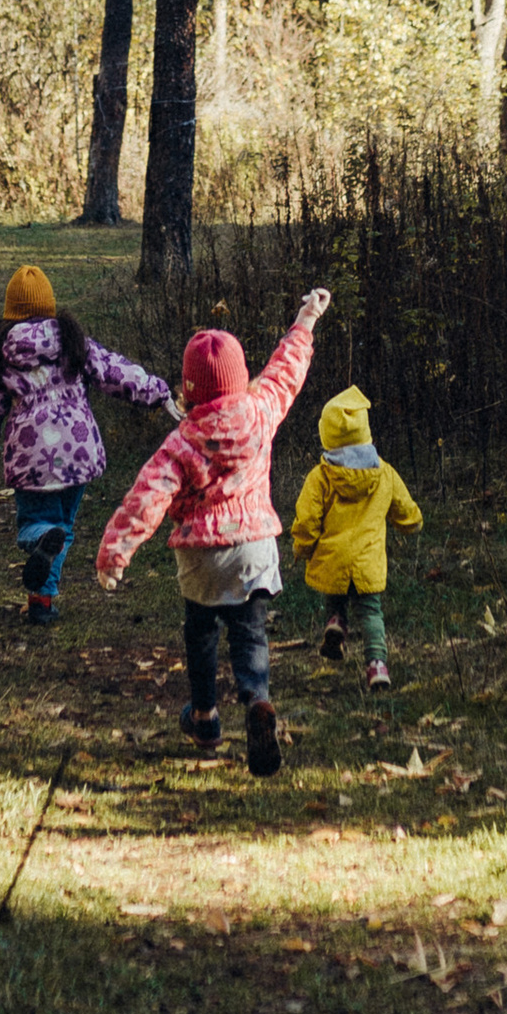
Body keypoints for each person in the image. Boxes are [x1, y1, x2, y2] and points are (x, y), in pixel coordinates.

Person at [94, 286, 332, 776]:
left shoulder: (182, 440)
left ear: (189, 389)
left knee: (201, 636)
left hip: (202, 557)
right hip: (255, 550)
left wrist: (115, 553)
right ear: (242, 378)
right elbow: (286, 372)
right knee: (251, 633)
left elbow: (147, 498)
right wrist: (306, 318)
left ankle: (204, 718)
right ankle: (257, 699)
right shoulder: (261, 410)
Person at [0, 266, 175, 626]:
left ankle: (41, 546)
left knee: (38, 524)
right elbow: (114, 371)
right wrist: (158, 392)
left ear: (11, 311)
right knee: (63, 528)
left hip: (32, 459)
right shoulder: (72, 341)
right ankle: (42, 603)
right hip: (79, 452)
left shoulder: (2, 352)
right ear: (50, 306)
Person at [290, 384, 422, 689]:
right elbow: (405, 509)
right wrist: (412, 523)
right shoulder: (385, 473)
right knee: (371, 613)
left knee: (334, 595)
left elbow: (307, 519)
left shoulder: (320, 476)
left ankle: (335, 622)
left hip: (332, 558)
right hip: (368, 562)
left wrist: (304, 548)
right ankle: (377, 666)